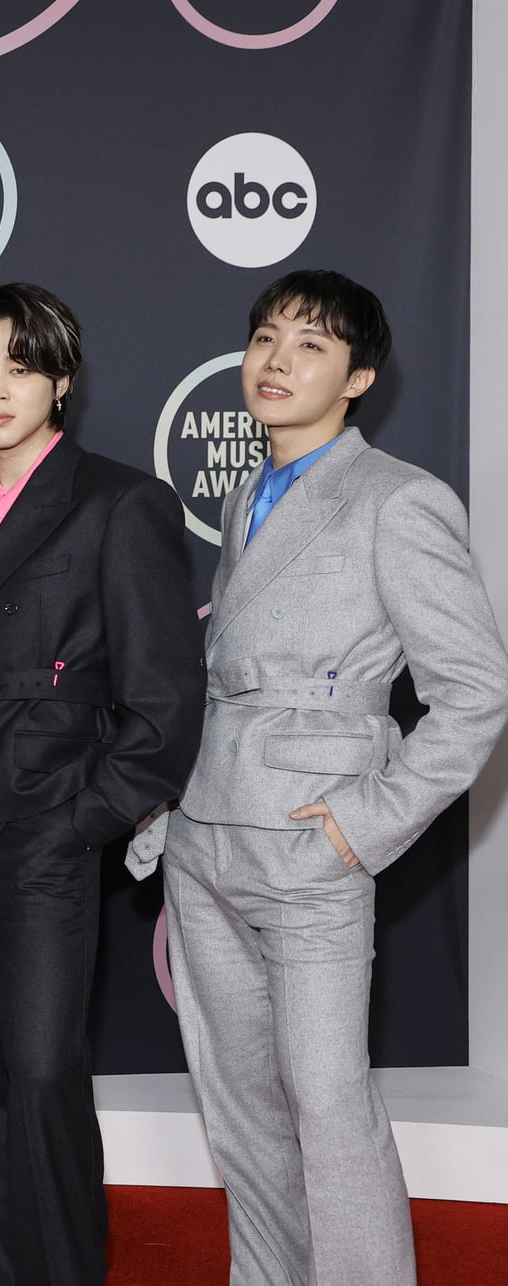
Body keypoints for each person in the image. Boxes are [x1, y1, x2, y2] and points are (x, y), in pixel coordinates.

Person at [132, 270, 508, 1286]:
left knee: (329, 1104)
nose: (274, 360)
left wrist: (363, 823)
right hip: (204, 835)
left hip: (309, 846)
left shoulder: (398, 499)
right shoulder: (240, 487)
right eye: (262, 338)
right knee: (239, 1105)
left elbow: (473, 690)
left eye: (306, 344)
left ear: (358, 376)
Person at [0, 281, 205, 1285]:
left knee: (41, 1079)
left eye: (19, 366)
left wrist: (78, 821)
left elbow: (163, 704)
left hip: (44, 839)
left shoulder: (120, 501)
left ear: (60, 380)